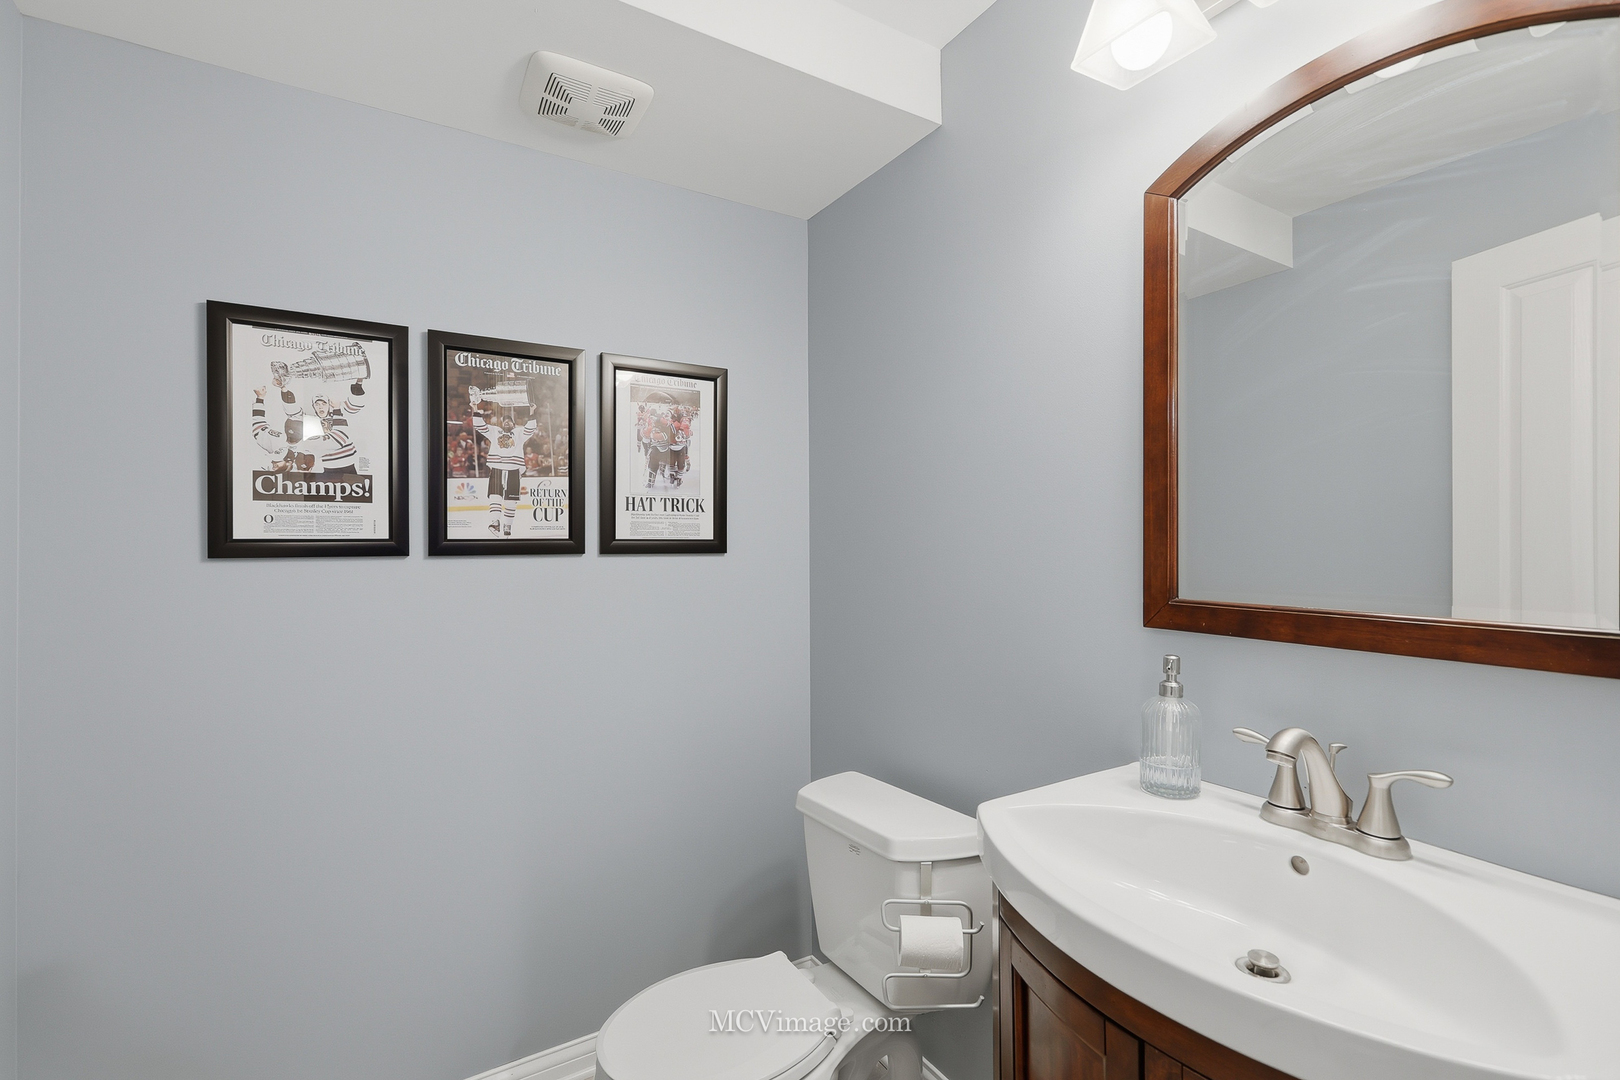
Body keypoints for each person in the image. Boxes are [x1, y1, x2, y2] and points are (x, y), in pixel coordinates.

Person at [470, 384, 537, 536]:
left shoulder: (519, 433)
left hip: (513, 469)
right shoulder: (495, 432)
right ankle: (495, 524)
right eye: (504, 421)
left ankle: (507, 527)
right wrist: (475, 407)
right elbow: (480, 426)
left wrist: (532, 411)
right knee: (495, 496)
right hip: (497, 468)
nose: (507, 422)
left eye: (509, 421)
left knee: (510, 501)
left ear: (513, 424)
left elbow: (530, 428)